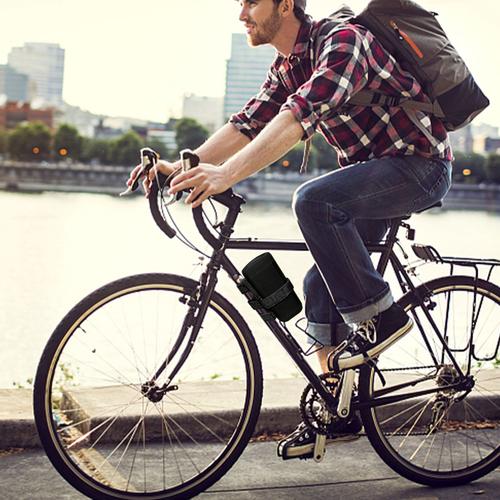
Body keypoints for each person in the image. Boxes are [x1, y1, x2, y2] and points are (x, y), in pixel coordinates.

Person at [127, 0, 452, 459]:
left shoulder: (343, 42)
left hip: (419, 167)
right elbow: (248, 124)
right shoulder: (288, 66)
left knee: (313, 201)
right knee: (321, 283)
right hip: (372, 177)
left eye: (251, 3)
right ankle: (339, 414)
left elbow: (296, 118)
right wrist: (184, 167)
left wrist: (226, 175)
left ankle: (384, 320)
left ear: (285, 5)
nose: (242, 14)